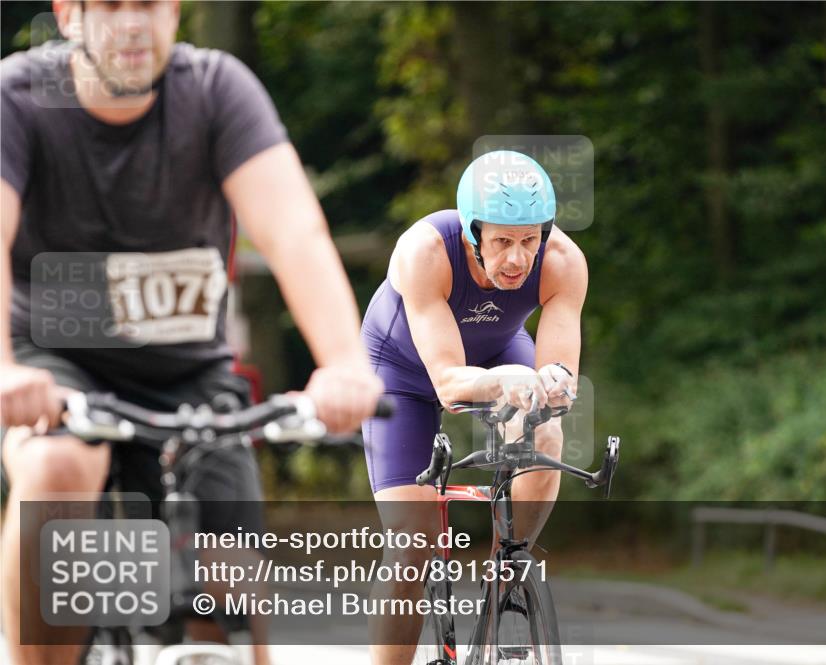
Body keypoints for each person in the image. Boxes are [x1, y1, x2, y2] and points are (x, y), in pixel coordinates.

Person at [0, 1, 383, 663]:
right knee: (57, 466)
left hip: (188, 375)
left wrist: (344, 361)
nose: (131, 23)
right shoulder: (20, 97)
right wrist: (4, 370)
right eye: (111, 4)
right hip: (53, 365)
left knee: (232, 601)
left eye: (148, 3)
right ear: (69, 16)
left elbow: (294, 232)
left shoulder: (214, 91)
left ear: (174, 12)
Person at [360, 149, 587, 664]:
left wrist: (554, 388)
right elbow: (448, 383)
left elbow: (559, 375)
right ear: (471, 233)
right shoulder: (426, 251)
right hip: (403, 372)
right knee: (412, 545)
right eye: (502, 241)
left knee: (546, 431)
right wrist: (510, 381)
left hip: (497, 353)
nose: (516, 259)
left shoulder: (563, 264)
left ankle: (507, 569)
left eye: (530, 240)